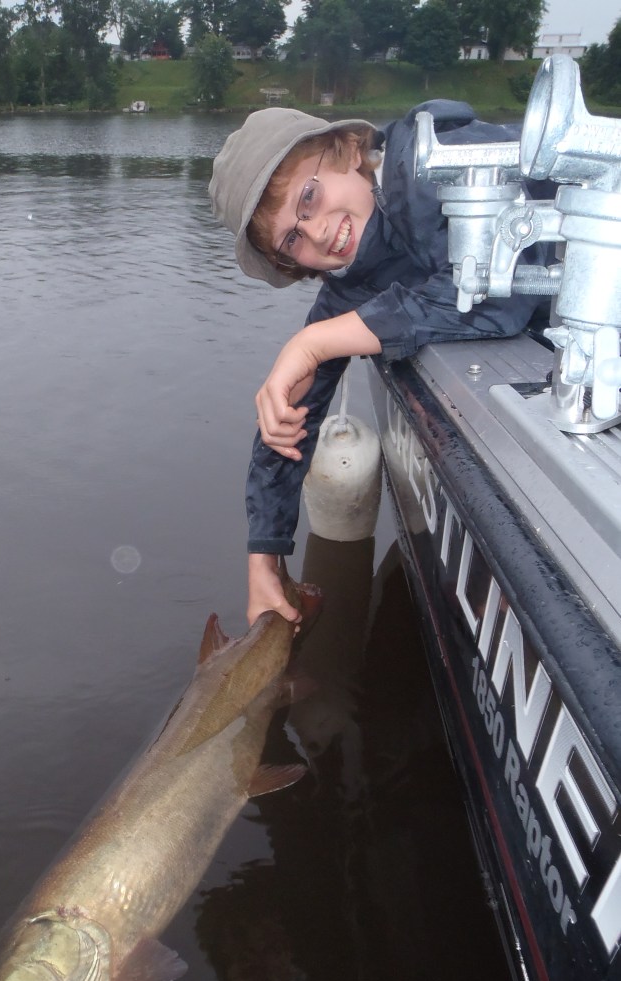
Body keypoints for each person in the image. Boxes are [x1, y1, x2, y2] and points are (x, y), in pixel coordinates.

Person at [209, 102, 551, 625]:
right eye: (292, 240)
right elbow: (287, 430)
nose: (318, 233)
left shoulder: (427, 162)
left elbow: (497, 293)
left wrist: (313, 344)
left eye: (309, 197)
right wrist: (263, 557)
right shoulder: (348, 290)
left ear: (347, 151)